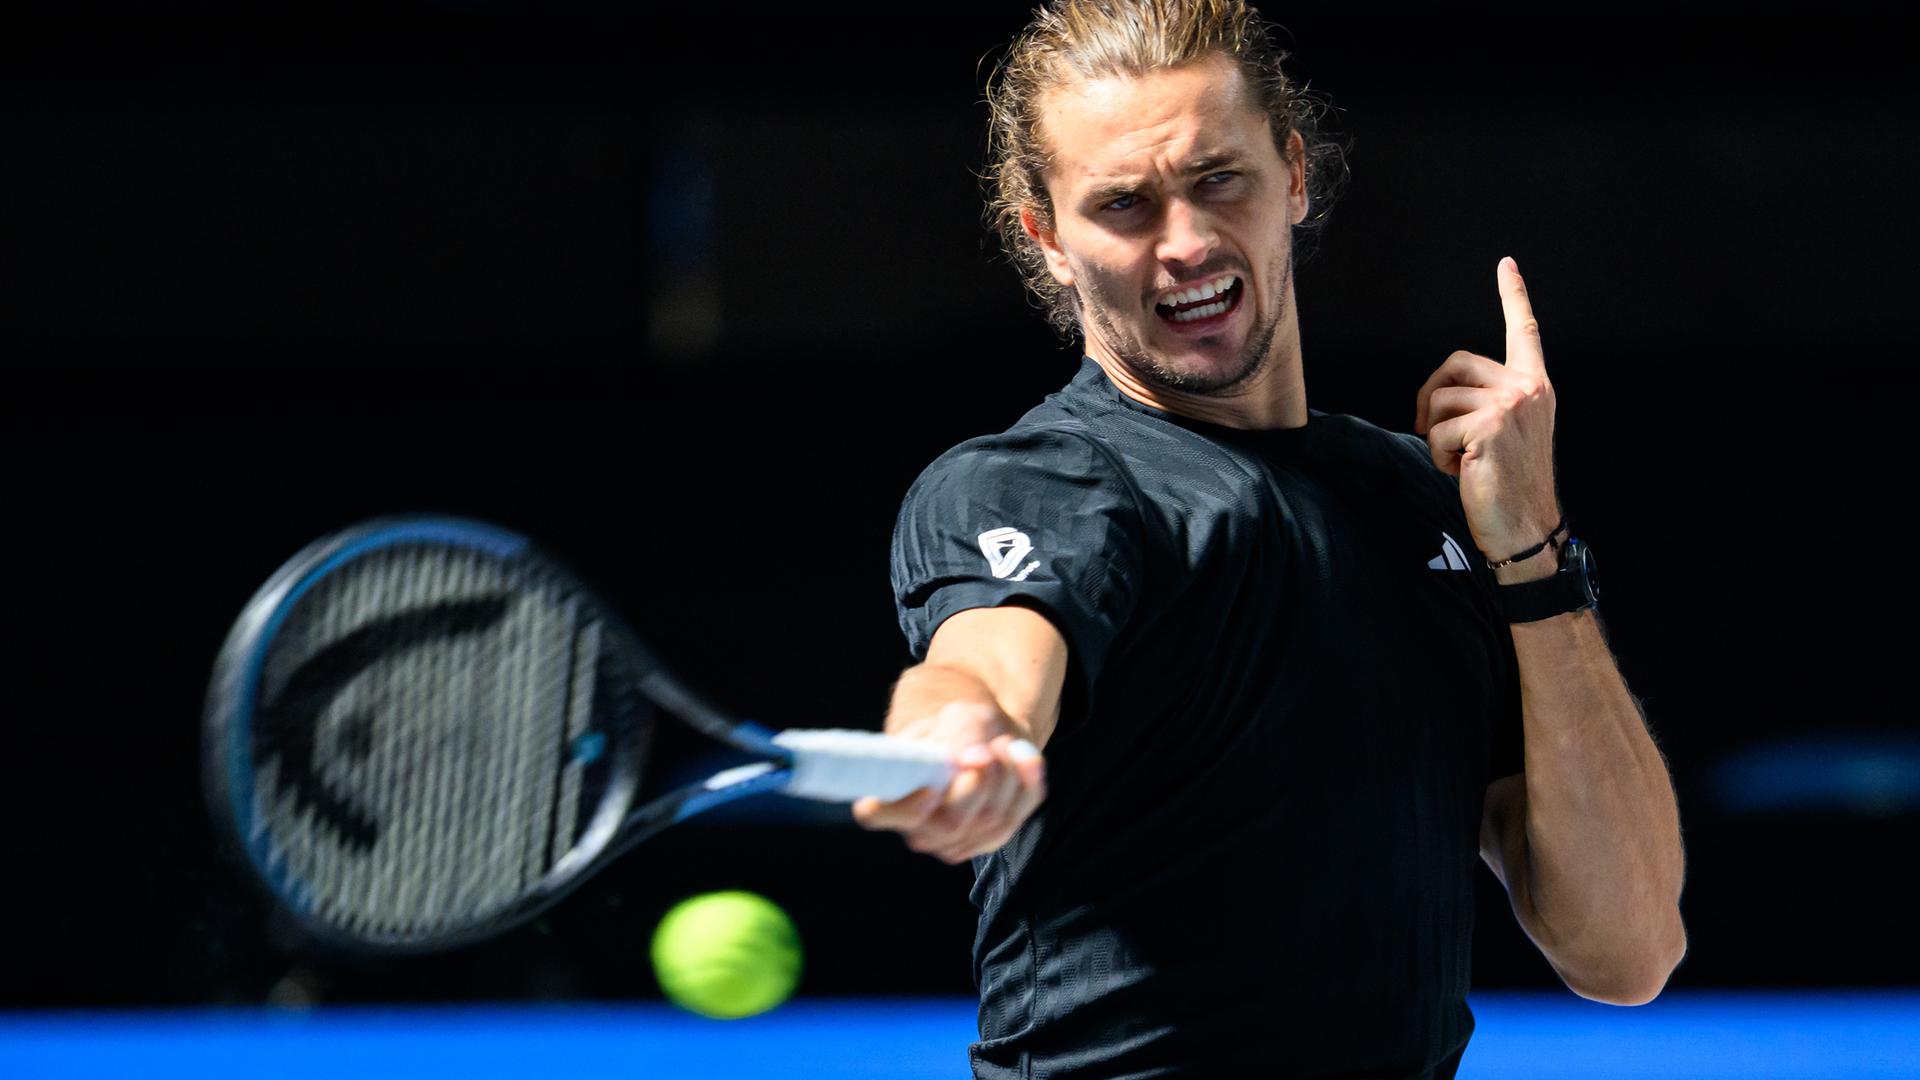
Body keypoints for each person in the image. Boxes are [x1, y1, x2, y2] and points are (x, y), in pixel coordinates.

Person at [852, 2, 1687, 1076]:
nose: (1187, 242)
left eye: (1218, 179)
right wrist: (961, 737)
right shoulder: (1040, 482)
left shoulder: (1428, 504)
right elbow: (987, 666)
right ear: (1048, 239)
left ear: (1293, 174)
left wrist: (1532, 554)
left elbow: (1627, 952)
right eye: (1123, 205)